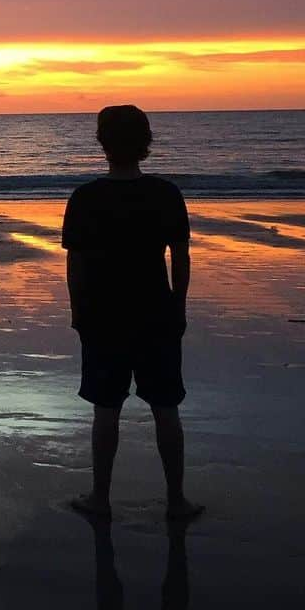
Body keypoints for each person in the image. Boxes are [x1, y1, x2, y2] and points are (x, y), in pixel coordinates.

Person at [62, 105, 203, 521]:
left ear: (102, 143)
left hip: (103, 315)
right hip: (156, 312)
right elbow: (180, 257)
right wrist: (179, 305)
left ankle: (100, 498)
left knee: (106, 408)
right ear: (146, 143)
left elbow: (76, 265)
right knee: (166, 407)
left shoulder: (86, 197)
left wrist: (78, 311)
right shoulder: (165, 194)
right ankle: (176, 500)